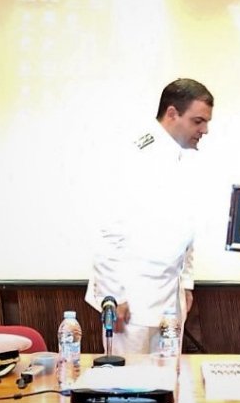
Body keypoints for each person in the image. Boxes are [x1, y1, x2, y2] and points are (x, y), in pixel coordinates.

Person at [85, 78, 214, 356]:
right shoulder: (133, 156)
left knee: (168, 378)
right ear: (172, 113)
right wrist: (112, 297)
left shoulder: (184, 158)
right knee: (128, 380)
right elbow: (108, 232)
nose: (204, 130)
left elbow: (187, 228)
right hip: (132, 301)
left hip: (169, 299)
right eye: (198, 121)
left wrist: (186, 283)